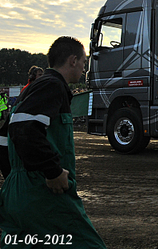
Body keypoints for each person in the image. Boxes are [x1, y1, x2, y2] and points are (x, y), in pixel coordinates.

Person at [0, 37, 106, 248]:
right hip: (43, 194)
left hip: (17, 193)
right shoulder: (52, 85)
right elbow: (25, 129)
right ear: (73, 60)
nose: (84, 69)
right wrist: (52, 172)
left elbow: (5, 137)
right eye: (84, 62)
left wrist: (15, 179)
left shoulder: (29, 91)